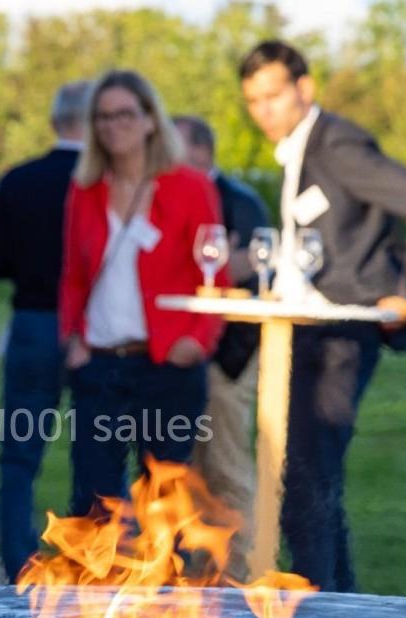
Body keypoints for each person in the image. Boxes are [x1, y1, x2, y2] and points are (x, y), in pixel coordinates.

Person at [238, 40, 406, 591]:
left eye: (274, 96)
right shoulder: (302, 148)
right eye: (254, 101)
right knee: (310, 481)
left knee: (307, 483)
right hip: (306, 330)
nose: (264, 111)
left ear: (304, 89)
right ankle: (342, 616)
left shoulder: (337, 144)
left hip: (342, 335)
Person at [60, 70, 227, 518]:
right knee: (92, 502)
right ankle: (93, 590)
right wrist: (73, 340)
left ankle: (165, 590)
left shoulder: (191, 187)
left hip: (167, 364)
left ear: (152, 119)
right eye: (103, 117)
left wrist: (197, 341)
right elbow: (73, 275)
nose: (114, 125)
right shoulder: (85, 190)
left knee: (164, 505)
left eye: (126, 114)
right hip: (99, 365)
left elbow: (216, 271)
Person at [0, 80, 90, 583]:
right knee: (97, 449)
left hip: (33, 322)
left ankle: (19, 567)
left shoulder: (19, 180)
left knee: (19, 455)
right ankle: (93, 559)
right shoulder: (103, 182)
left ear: (54, 120)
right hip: (93, 327)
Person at [174, 114, 271, 582]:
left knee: (227, 468)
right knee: (187, 471)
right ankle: (199, 584)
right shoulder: (169, 193)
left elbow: (247, 270)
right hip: (183, 352)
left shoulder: (239, 202)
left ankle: (239, 581)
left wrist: (210, 268)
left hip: (229, 355)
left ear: (201, 150)